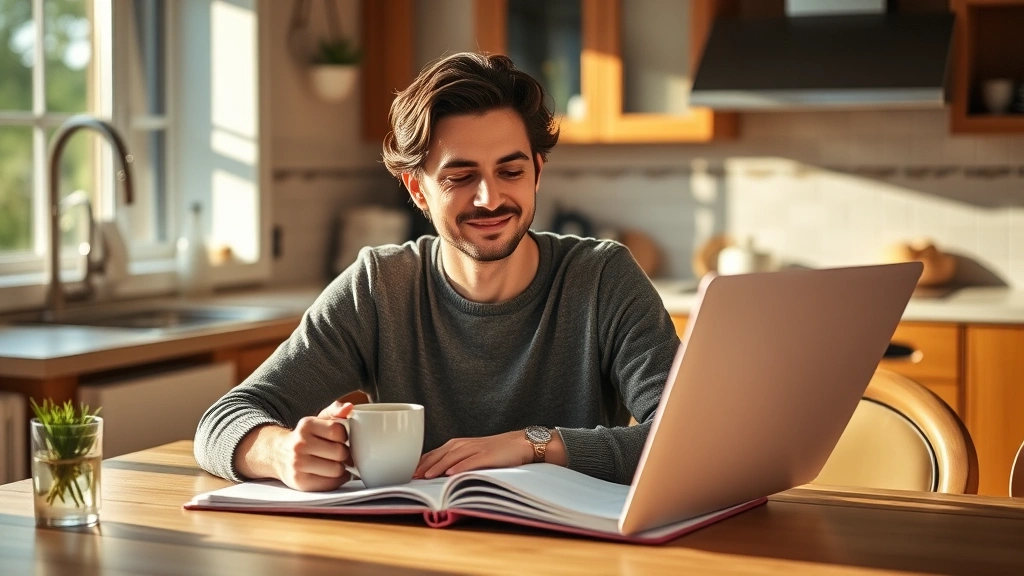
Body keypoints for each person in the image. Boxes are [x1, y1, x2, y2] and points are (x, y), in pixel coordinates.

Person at [194, 52, 679, 491]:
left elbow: (684, 436)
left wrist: (532, 445)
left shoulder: (602, 278)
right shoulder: (379, 288)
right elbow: (222, 421)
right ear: (418, 189)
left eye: (510, 172)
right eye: (460, 177)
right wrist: (280, 452)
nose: (490, 198)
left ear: (537, 171)